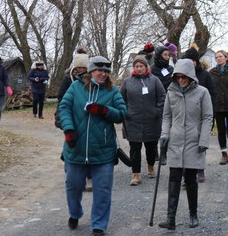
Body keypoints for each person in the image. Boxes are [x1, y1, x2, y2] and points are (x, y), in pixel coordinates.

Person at [59, 56, 127, 236]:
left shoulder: (112, 92)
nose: (103, 74)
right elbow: (64, 108)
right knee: (72, 186)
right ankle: (75, 213)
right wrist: (68, 130)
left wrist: (104, 111)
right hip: (75, 148)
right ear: (90, 71)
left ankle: (99, 225)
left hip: (103, 150)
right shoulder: (75, 87)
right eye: (99, 70)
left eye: (106, 71)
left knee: (103, 190)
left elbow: (122, 114)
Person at [158, 59, 213, 230]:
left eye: (184, 77)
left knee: (190, 179)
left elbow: (207, 117)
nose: (181, 80)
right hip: (175, 141)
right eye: (178, 77)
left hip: (193, 141)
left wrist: (203, 140)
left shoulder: (202, 92)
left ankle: (193, 214)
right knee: (174, 178)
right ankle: (171, 218)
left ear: (190, 76)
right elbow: (166, 116)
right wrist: (165, 134)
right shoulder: (171, 92)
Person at [120, 56, 165, 186]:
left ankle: (151, 166)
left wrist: (157, 111)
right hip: (132, 120)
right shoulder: (127, 82)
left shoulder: (155, 81)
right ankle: (136, 174)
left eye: (141, 66)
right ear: (134, 68)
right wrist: (126, 112)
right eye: (136, 66)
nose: (139, 69)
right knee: (134, 148)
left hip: (152, 120)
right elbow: (121, 98)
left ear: (146, 67)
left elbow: (162, 96)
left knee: (151, 147)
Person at [57, 47, 93, 191]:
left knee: (89, 147)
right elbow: (61, 99)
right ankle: (75, 177)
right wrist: (61, 117)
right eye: (78, 67)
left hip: (88, 116)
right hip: (72, 118)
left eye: (83, 67)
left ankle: (90, 176)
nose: (80, 70)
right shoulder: (68, 79)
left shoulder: (92, 79)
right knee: (72, 147)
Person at [182, 43, 217, 182]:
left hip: (202, 116)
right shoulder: (182, 77)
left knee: (200, 142)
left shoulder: (205, 76)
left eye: (192, 61)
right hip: (186, 116)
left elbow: (213, 94)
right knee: (185, 143)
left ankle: (200, 168)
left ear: (196, 62)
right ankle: (186, 169)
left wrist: (211, 113)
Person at [151, 45, 174, 165]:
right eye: (165, 55)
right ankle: (154, 151)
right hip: (155, 102)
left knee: (166, 129)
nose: (167, 57)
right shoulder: (151, 69)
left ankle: (163, 153)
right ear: (159, 55)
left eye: (168, 55)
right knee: (155, 128)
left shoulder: (171, 69)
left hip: (169, 102)